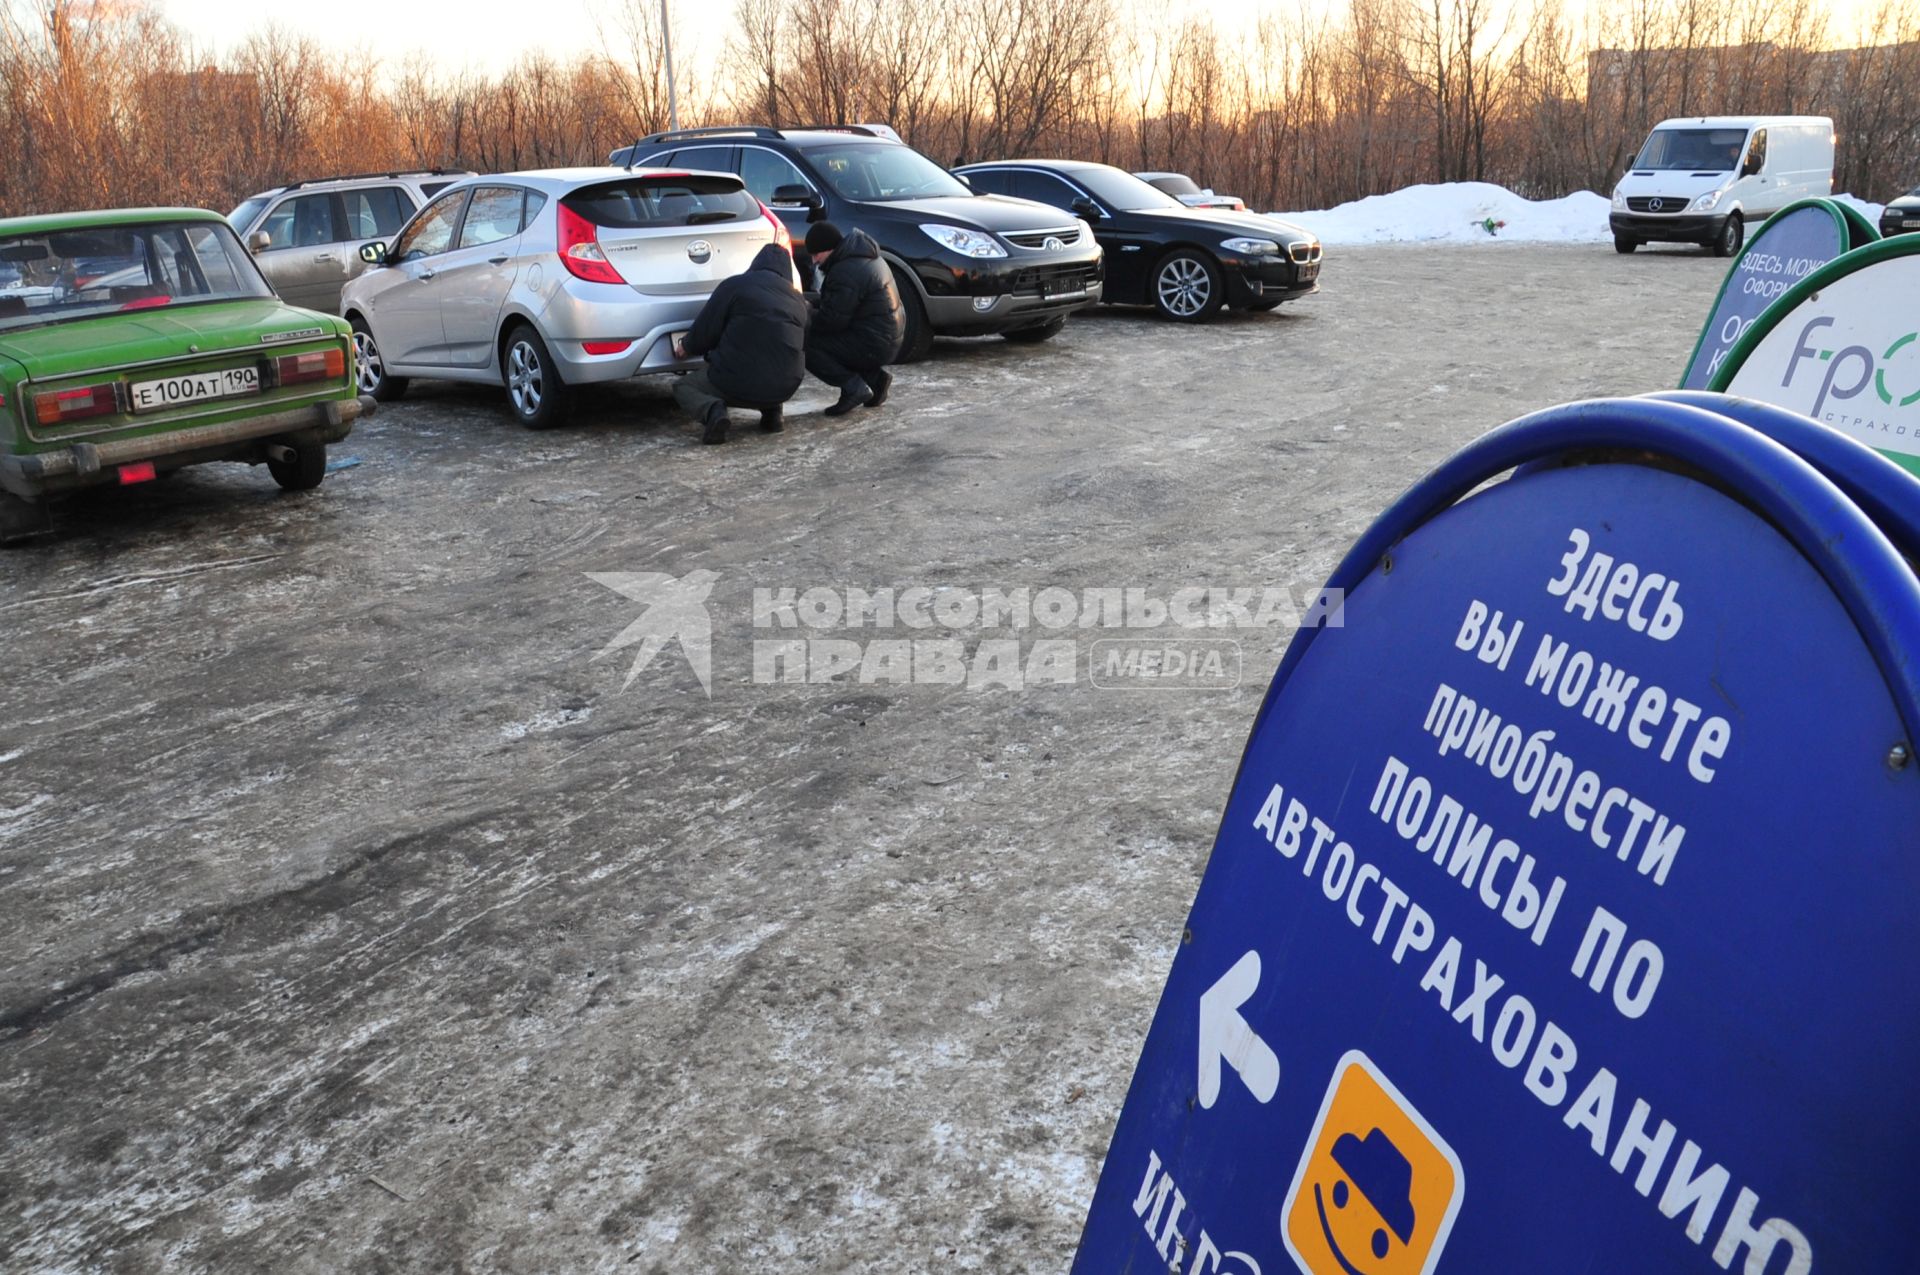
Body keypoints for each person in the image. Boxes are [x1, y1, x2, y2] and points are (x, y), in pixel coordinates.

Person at [674, 241, 809, 445]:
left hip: (736, 383)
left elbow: (706, 329)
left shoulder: (735, 286)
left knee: (683, 386)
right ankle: (773, 415)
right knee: (774, 362)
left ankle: (714, 412)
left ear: (756, 264)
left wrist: (686, 347)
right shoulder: (798, 300)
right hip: (786, 387)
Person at [803, 222, 906, 416]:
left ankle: (853, 388)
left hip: (874, 344)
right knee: (839, 340)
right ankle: (875, 380)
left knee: (806, 343)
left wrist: (804, 313)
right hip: (887, 339)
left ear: (830, 249)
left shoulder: (845, 271)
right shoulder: (862, 256)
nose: (814, 260)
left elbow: (832, 321)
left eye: (817, 254)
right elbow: (838, 303)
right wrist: (807, 300)